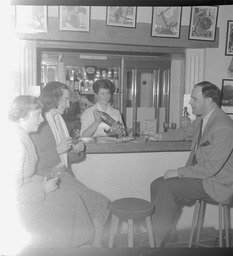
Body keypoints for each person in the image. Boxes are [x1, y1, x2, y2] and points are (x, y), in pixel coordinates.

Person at [149, 81, 233, 247]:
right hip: (203, 178)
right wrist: (160, 136)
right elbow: (184, 132)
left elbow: (210, 169)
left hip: (218, 183)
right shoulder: (203, 119)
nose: (190, 102)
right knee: (157, 184)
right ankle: (168, 232)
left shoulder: (223, 126)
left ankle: (155, 244)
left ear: (208, 101)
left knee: (169, 186)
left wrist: (178, 172)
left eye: (194, 99)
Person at [8, 95, 99, 248]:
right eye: (37, 114)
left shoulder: (21, 135)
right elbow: (12, 193)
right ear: (23, 116)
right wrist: (43, 188)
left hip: (31, 191)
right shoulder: (16, 141)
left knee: (71, 199)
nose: (42, 120)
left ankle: (78, 246)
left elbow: (25, 177)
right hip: (22, 208)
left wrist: (44, 179)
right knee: (68, 204)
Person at [30, 82, 110, 247]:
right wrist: (58, 149)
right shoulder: (39, 123)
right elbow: (34, 165)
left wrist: (77, 150)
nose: (68, 105)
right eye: (66, 100)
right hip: (48, 178)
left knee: (102, 203)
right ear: (55, 98)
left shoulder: (59, 120)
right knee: (77, 206)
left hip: (64, 175)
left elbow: (66, 157)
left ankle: (97, 248)